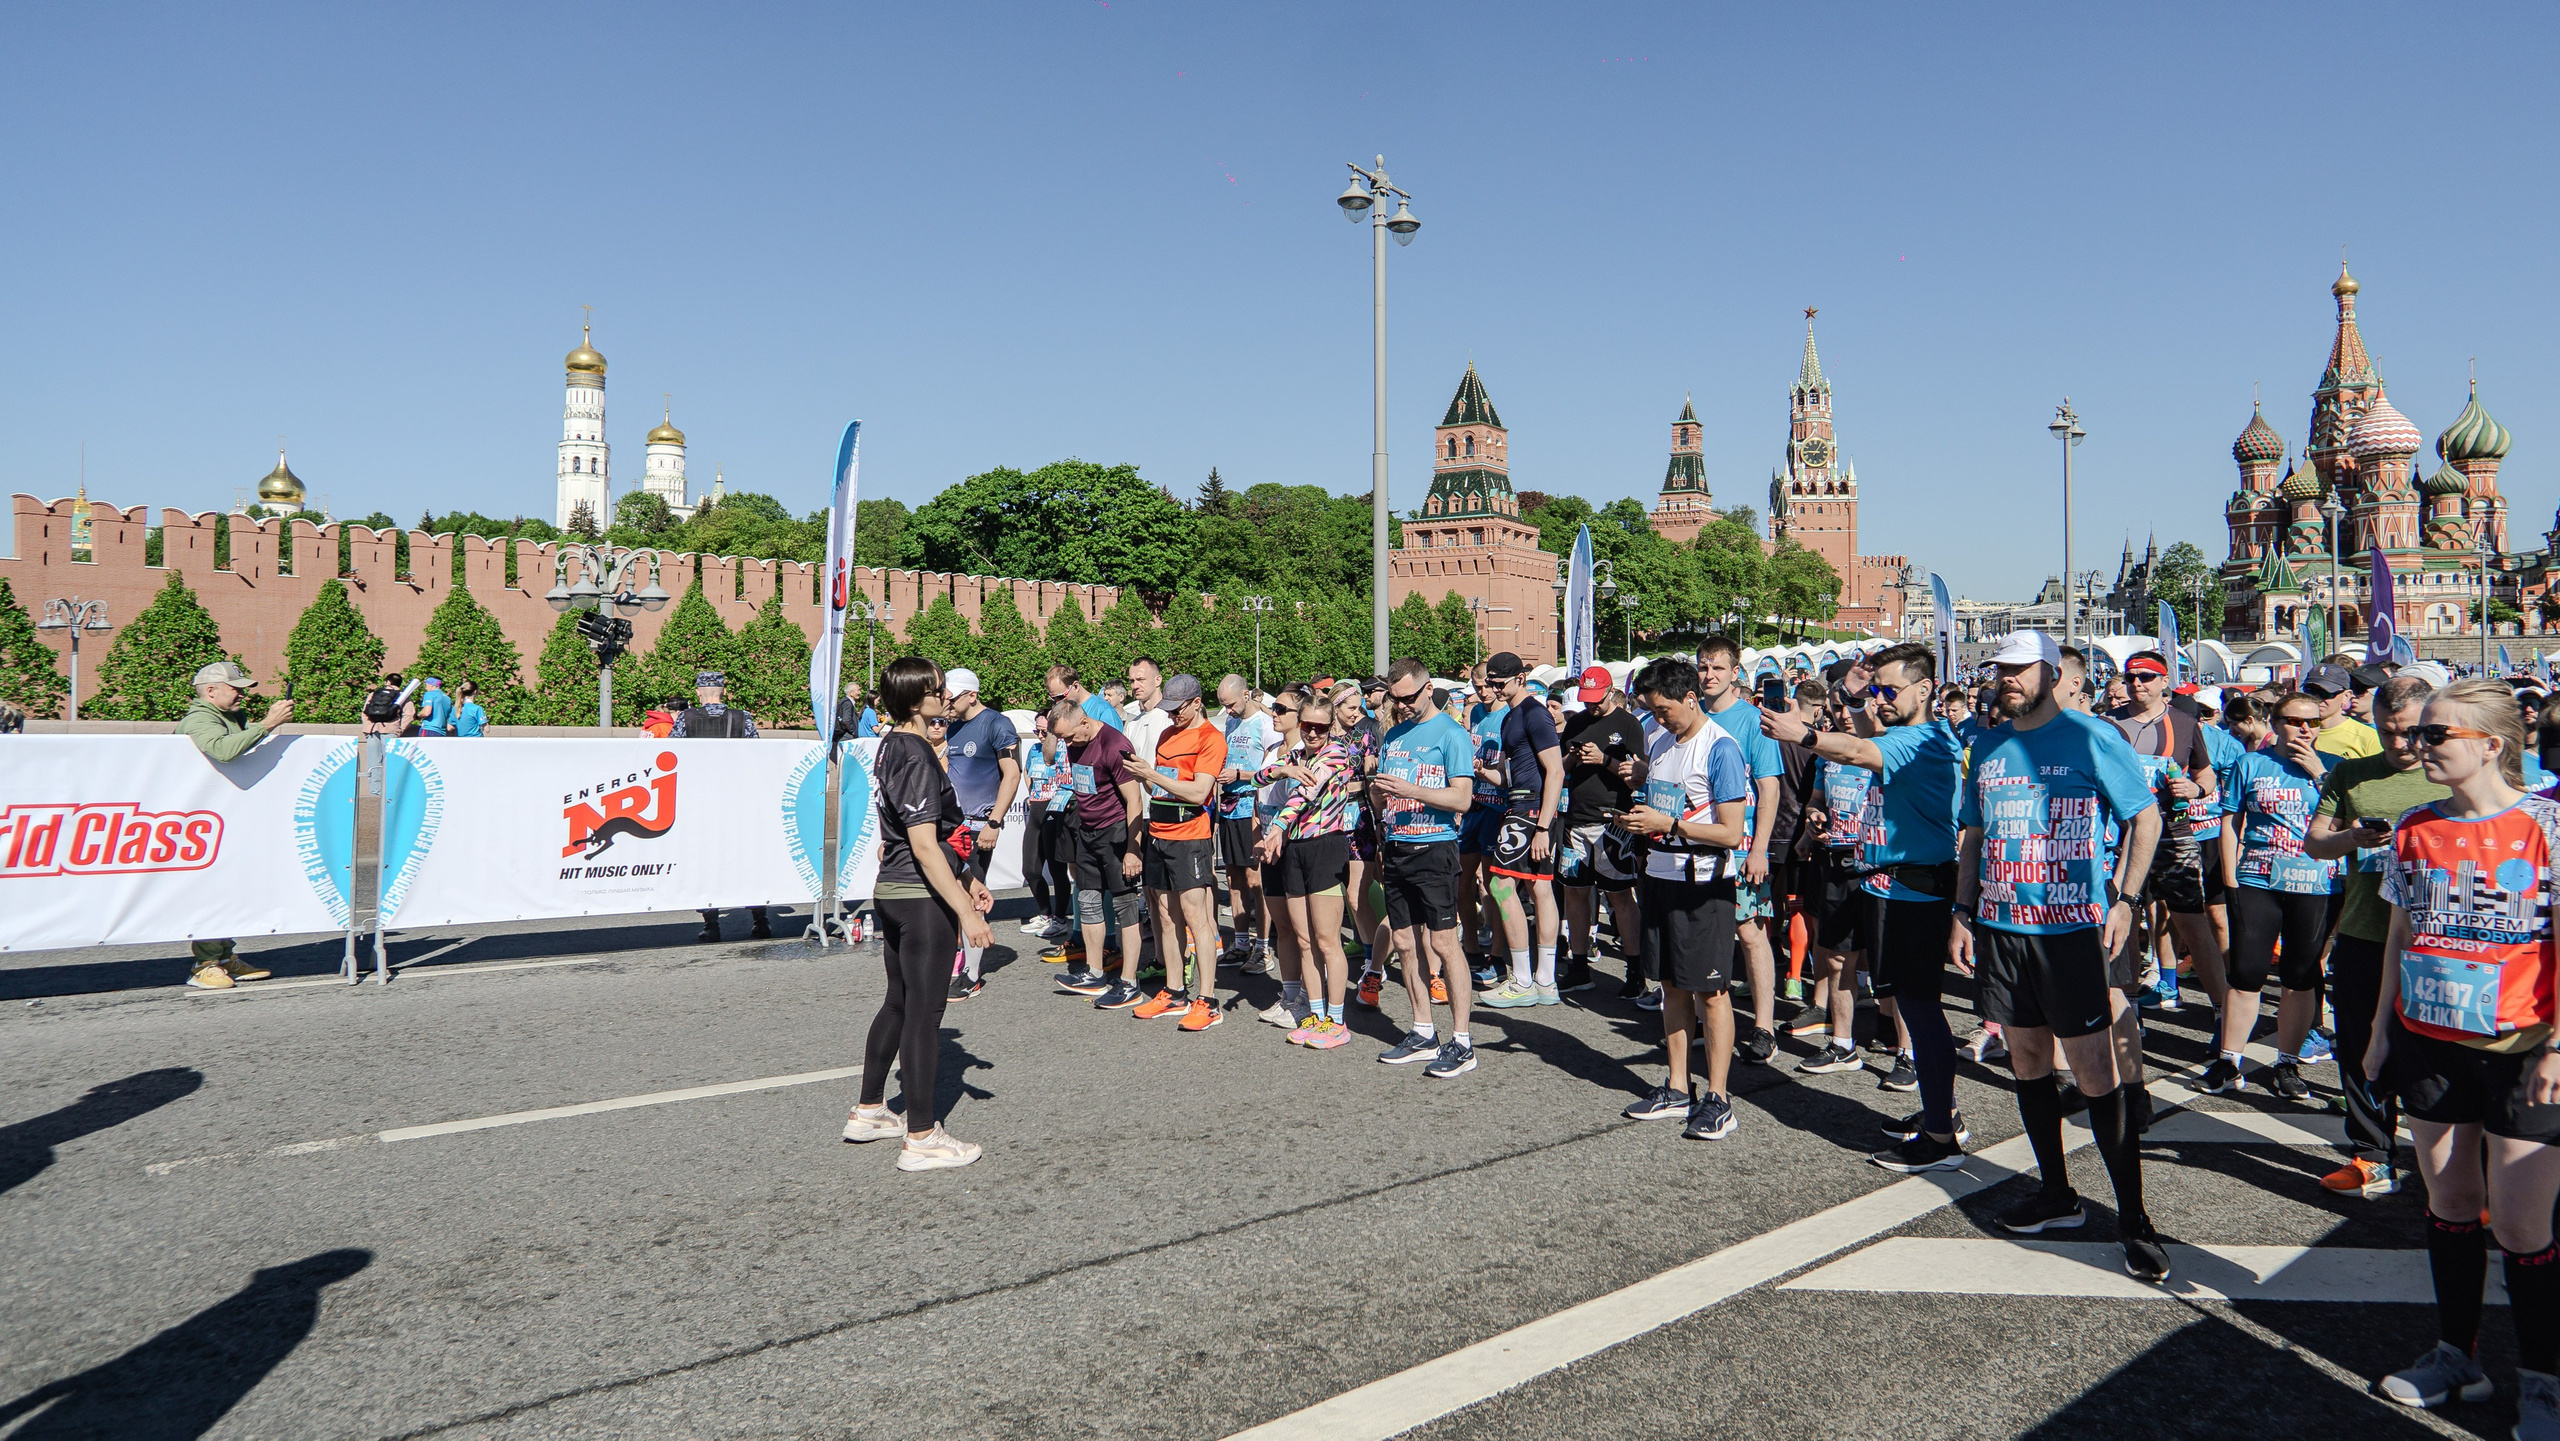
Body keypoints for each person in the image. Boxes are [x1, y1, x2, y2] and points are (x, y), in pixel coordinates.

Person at [2363, 679, 2560, 1427]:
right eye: (2421, 733)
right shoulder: (2414, 826)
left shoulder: (2547, 824)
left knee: (2519, 1225)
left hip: (2526, 1049)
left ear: (2491, 744)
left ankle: (2543, 1379)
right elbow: (2401, 934)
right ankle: (2458, 1355)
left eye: (2437, 734)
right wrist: (2382, 1031)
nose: (2419, 745)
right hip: (2430, 1040)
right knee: (2449, 1202)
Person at [1950, 630, 2171, 1283]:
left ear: (2049, 672)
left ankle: (2134, 1217)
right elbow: (1974, 833)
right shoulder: (1985, 744)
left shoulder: (2091, 735)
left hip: (2073, 929)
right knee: (2026, 1061)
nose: (2006, 679)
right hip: (2001, 925)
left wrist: (2126, 899)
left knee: (2097, 1073)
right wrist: (1961, 912)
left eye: (2019, 669)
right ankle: (2057, 1193)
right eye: (2001, 670)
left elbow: (2145, 818)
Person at [1763, 641, 1964, 1169]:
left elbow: (1855, 751)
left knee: (1921, 1012)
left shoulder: (1922, 741)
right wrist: (1855, 697)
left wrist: (1802, 733)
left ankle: (1941, 1136)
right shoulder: (1912, 732)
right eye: (1879, 689)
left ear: (1926, 689)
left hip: (1915, 892)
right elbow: (1868, 735)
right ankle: (1941, 1113)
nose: (1882, 699)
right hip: (1894, 886)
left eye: (1891, 690)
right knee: (1917, 1009)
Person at [842, 656, 991, 1172]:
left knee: (900, 1004)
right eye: (937, 689)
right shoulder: (915, 752)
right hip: (921, 895)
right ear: (915, 699)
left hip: (896, 891)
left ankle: (868, 1111)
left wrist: (969, 877)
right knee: (925, 1015)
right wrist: (965, 911)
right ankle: (922, 1136)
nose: (945, 696)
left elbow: (926, 838)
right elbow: (926, 846)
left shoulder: (894, 745)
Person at [2304, 673, 2439, 1197]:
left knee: (2434, 1052)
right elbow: (2316, 844)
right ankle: (2371, 1152)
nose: (2400, 745)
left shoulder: (2453, 773)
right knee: (2359, 1044)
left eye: (2410, 733)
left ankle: (2455, 1163)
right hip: (2365, 930)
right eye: (2387, 732)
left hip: (2436, 938)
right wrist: (2350, 836)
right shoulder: (2351, 776)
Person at [1619, 657, 1752, 1137]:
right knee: (1671, 986)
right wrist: (1641, 801)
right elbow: (1664, 801)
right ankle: (1678, 1088)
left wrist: (1668, 824)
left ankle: (1719, 1097)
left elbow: (1732, 833)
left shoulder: (1721, 749)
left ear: (1690, 698)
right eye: (1652, 711)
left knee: (1711, 993)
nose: (1658, 719)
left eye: (1663, 710)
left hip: (1704, 884)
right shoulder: (1659, 742)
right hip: (1660, 876)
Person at [2106, 651, 2226, 1099]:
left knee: (2193, 924)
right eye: (2130, 677)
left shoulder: (2184, 722)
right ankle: (2129, 1011)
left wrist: (2195, 788)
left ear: (2164, 682)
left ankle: (2222, 1017)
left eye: (2145, 678)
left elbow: (2206, 775)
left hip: (2172, 834)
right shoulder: (2108, 724)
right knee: (2123, 925)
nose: (2136, 684)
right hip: (2119, 837)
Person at [2205, 688, 2335, 1097]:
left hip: (2314, 883)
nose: (2303, 729)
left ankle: (2288, 1065)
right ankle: (2228, 1060)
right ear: (2275, 724)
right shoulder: (2251, 763)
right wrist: (2230, 878)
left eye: (2311, 722)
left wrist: (2319, 772)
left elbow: (2348, 820)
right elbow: (2231, 820)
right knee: (2246, 974)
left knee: (2299, 977)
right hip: (2257, 880)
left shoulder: (2334, 767)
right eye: (2294, 721)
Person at [1368, 657, 1482, 1079]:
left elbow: (1462, 799)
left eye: (1408, 698)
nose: (1400, 707)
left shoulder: (1452, 734)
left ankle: (1463, 1041)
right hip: (1397, 846)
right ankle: (1422, 1031)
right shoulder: (1393, 736)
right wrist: (1378, 793)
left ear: (1428, 687)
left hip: (1435, 848)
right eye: (1393, 700)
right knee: (1403, 942)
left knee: (1443, 944)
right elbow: (1386, 798)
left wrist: (1412, 789)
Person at [174, 660, 292, 989]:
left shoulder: (226, 717)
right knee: (210, 889)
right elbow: (223, 751)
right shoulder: (200, 719)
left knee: (225, 888)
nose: (243, 695)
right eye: (235, 689)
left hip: (220, 818)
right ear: (210, 691)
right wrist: (268, 723)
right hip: (202, 822)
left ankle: (224, 958)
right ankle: (205, 964)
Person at [1257, 689, 1364, 1047]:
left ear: (1330, 725)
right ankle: (1316, 1017)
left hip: (1325, 848)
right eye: (1307, 726)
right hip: (1294, 851)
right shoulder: (1298, 754)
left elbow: (1304, 795)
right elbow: (1260, 778)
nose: (1313, 734)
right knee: (1304, 941)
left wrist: (1276, 828)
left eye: (1320, 727)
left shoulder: (1336, 753)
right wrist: (1282, 767)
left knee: (1326, 940)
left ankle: (1337, 1021)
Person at [1698, 636, 1786, 1065]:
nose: (1708, 676)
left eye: (1717, 668)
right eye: (1703, 667)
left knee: (1750, 933)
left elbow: (1769, 788)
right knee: (1703, 934)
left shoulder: (1754, 721)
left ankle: (1764, 1027)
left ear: (1736, 673)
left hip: (1744, 845)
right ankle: (1711, 1019)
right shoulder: (1690, 717)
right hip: (1698, 844)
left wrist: (1760, 850)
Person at [1125, 674, 1228, 1030]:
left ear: (1197, 702)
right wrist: (1141, 775)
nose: (1171, 716)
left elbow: (1199, 793)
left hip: (1191, 836)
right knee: (1166, 917)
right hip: (1160, 832)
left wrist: (1152, 774)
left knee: (1195, 916)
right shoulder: (1168, 734)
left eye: (1178, 709)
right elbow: (1160, 785)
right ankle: (1174, 991)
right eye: (1167, 709)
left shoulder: (1211, 738)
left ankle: (1209, 1000)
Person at [1479, 652, 1567, 1008]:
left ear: (1520, 678)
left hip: (1532, 811)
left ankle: (1523, 979)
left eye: (1501, 683)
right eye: (1491, 683)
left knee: (1501, 885)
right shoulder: (1509, 717)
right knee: (1538, 887)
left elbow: (1556, 772)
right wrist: (1484, 773)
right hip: (1521, 804)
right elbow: (1509, 776)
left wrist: (1544, 826)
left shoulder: (1534, 713)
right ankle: (1543, 981)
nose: (1495, 689)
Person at [1046, 696, 1147, 1005]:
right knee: (1088, 901)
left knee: (1125, 908)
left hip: (1116, 833)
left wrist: (1133, 848)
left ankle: (1129, 983)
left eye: (1068, 736)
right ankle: (1095, 973)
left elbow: (1135, 801)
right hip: (1087, 833)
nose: (1066, 743)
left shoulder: (1114, 745)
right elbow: (1056, 756)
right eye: (1061, 737)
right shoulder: (1072, 739)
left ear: (1085, 723)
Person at [1557, 664, 1647, 996]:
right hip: (1576, 819)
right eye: (1587, 700)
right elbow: (1561, 769)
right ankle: (1579, 965)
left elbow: (1639, 776)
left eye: (1597, 699)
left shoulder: (1628, 724)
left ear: (1611, 693)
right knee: (1575, 892)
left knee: (1620, 895)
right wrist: (1572, 759)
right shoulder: (1576, 722)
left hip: (1614, 822)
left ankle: (1634, 970)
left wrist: (1604, 761)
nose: (1592, 706)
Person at [940, 669, 1022, 1000]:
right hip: (951, 825)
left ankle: (971, 975)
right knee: (947, 895)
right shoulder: (954, 726)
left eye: (952, 697)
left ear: (972, 695)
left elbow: (1013, 775)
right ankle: (951, 962)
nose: (947, 702)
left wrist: (995, 822)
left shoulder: (997, 724)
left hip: (978, 827)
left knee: (973, 894)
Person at [673, 671, 771, 942]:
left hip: (702, 803)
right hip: (737, 802)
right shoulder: (742, 718)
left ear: (698, 693)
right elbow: (757, 756)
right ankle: (760, 919)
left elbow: (672, 755)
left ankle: (711, 923)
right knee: (747, 860)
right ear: (723, 691)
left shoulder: (686, 719)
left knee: (706, 862)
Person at [1213, 675, 1277, 975]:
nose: (1228, 710)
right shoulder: (1230, 722)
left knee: (1256, 881)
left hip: (1251, 807)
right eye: (1224, 705)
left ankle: (1263, 947)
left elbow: (1273, 769)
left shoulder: (1264, 725)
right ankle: (1240, 943)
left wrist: (1239, 775)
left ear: (1248, 694)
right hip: (1228, 807)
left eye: (1232, 703)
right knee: (1233, 879)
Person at [2302, 662, 2381, 760]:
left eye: (2325, 693)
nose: (2316, 698)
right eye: (2310, 691)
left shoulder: (2369, 738)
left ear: (2346, 696)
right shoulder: (2295, 732)